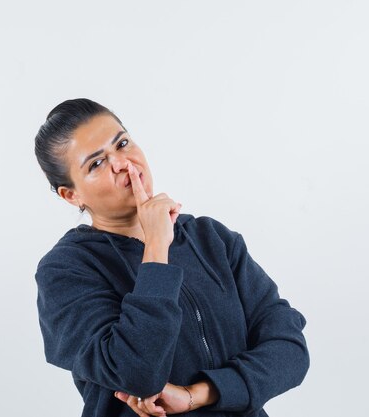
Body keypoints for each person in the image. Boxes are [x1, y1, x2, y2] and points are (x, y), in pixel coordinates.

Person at [33, 98, 310, 417]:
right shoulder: (65, 270)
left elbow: (290, 351)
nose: (124, 163)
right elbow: (138, 372)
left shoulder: (211, 238)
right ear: (72, 195)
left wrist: (199, 394)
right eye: (97, 163)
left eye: (122, 143)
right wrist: (156, 249)